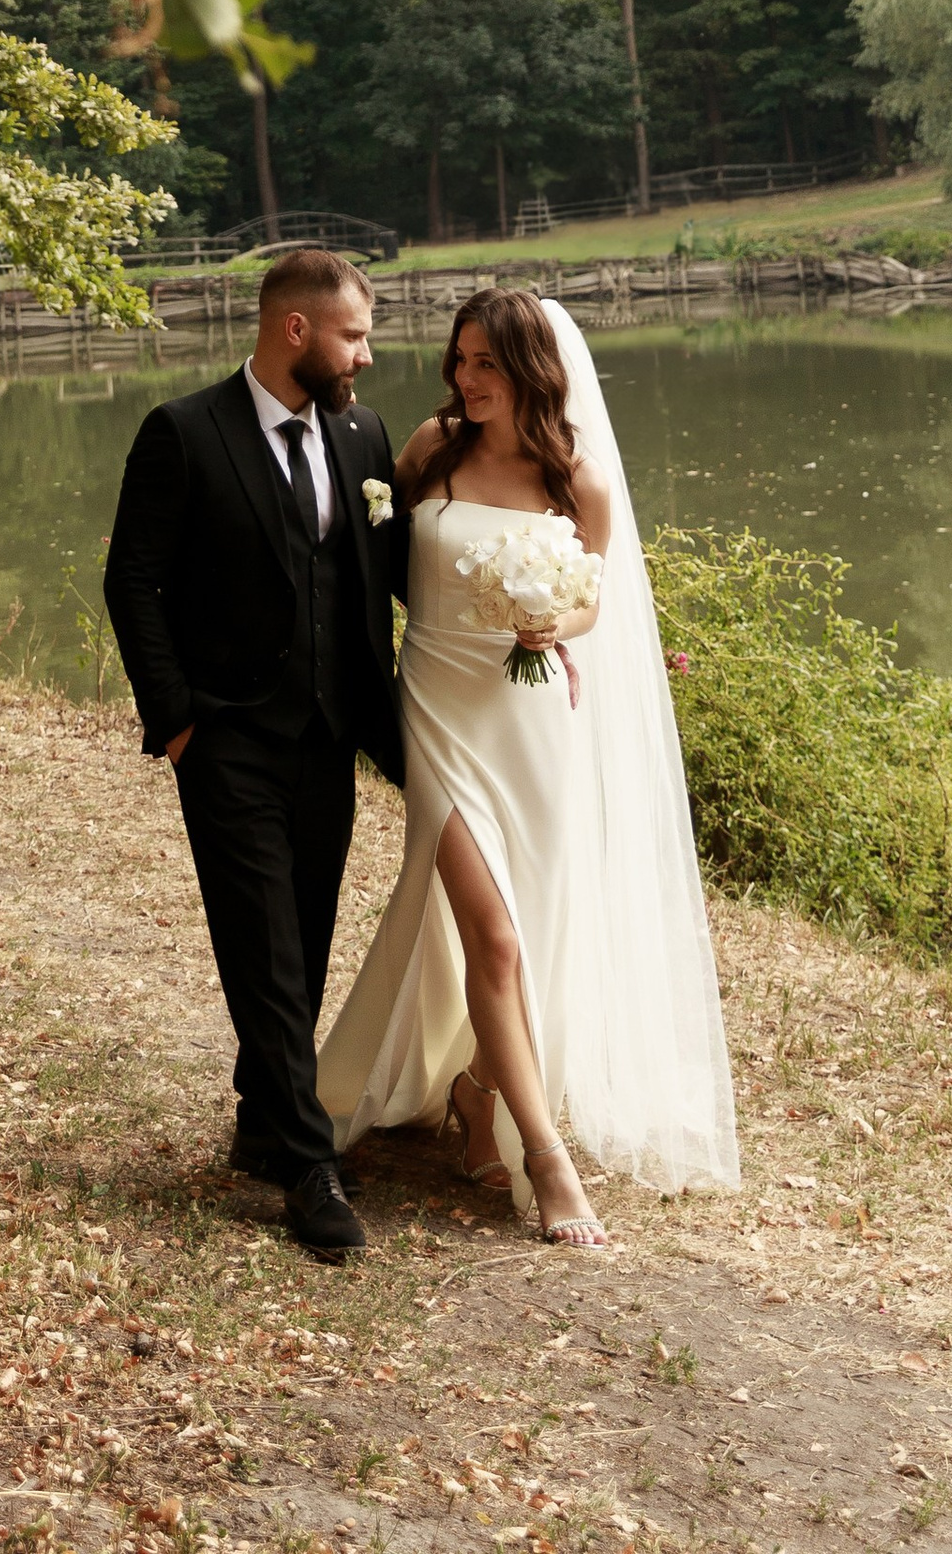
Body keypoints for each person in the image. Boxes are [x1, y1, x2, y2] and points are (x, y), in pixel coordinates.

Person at [315, 287, 738, 1243]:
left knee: (529, 932)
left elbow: (597, 598)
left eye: (486, 365)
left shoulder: (576, 477)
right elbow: (368, 564)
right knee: (495, 939)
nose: (466, 381)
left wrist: (556, 622)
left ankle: (475, 1089)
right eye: (459, 361)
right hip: (436, 712)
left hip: (534, 717)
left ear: (532, 371)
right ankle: (546, 1159)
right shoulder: (431, 450)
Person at [102, 246, 404, 1261]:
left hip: (329, 736)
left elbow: (394, 570)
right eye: (353, 335)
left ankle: (258, 1124)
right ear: (296, 332)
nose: (366, 355)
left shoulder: (362, 435)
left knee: (303, 939)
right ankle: (308, 1166)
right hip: (226, 737)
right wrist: (177, 717)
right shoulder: (184, 434)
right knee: (263, 947)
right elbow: (132, 582)